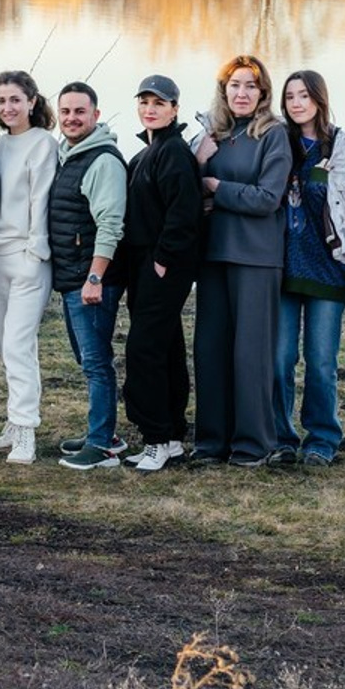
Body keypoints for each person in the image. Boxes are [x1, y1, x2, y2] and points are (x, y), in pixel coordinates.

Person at [193, 54, 292, 467]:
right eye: (234, 85)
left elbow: (268, 199)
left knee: (251, 353)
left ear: (263, 92)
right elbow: (190, 192)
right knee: (210, 349)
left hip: (255, 256)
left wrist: (217, 186)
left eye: (250, 85)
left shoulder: (273, 135)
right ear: (223, 90)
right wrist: (199, 168)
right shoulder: (210, 136)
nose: (242, 93)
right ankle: (211, 442)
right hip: (212, 254)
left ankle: (253, 444)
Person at [270, 70, 345, 467]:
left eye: (304, 96)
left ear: (319, 100)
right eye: (290, 96)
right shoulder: (277, 143)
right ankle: (281, 436)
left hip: (328, 270)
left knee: (322, 362)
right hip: (284, 270)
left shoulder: (343, 148)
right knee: (280, 358)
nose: (296, 103)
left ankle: (322, 437)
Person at [118, 75, 203, 473]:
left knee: (144, 350)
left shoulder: (173, 153)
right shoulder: (147, 153)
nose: (150, 108)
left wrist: (163, 258)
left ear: (174, 109)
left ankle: (154, 438)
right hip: (144, 264)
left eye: (159, 103)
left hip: (162, 265)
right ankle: (169, 437)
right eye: (144, 102)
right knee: (166, 346)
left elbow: (184, 214)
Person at [43, 81, 129, 473]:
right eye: (65, 111)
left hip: (92, 280)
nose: (72, 118)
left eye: (80, 111)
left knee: (96, 362)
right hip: (72, 276)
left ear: (96, 115)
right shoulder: (70, 155)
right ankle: (105, 432)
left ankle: (102, 446)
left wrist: (95, 278)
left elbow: (111, 224)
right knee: (87, 358)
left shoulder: (102, 161)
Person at [0, 70, 57, 465]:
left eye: (15, 99)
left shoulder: (43, 143)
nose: (7, 107)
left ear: (31, 101)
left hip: (29, 257)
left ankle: (26, 430)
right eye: (2, 100)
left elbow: (40, 200)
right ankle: (12, 422)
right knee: (4, 343)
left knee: (18, 344)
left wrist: (36, 252)